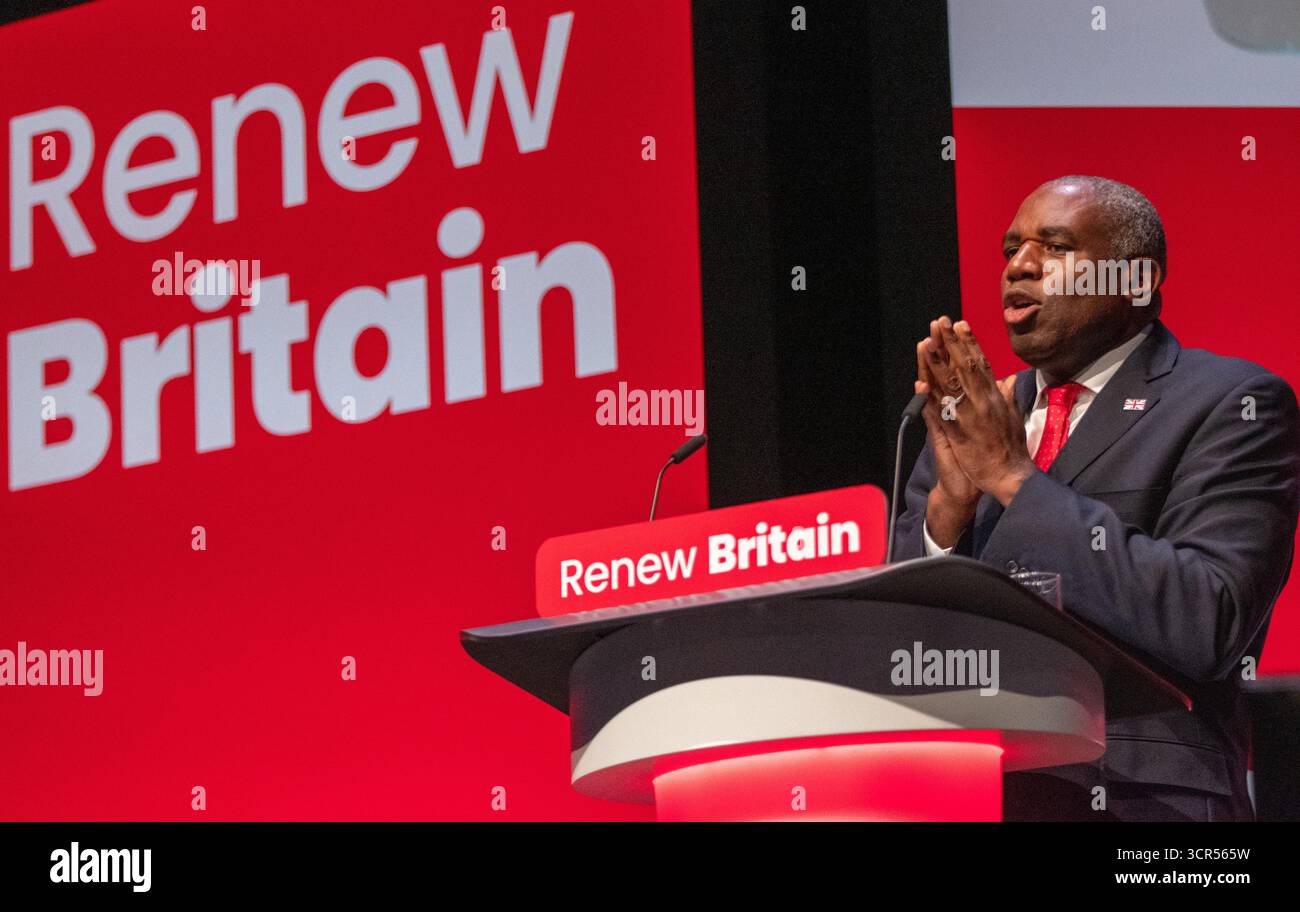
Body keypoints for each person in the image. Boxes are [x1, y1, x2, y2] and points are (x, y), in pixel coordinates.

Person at [893, 175, 1300, 821]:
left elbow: (1210, 617)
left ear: (1137, 282)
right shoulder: (980, 413)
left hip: (1147, 801)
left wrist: (1016, 481)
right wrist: (948, 511)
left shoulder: (1231, 404)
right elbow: (895, 625)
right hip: (969, 789)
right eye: (1010, 250)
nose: (1019, 267)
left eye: (1054, 249)